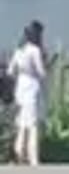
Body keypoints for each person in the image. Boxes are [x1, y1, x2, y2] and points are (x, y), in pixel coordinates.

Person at [8, 21, 47, 166]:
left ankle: (19, 154)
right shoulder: (34, 50)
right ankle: (33, 158)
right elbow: (41, 72)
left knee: (21, 124)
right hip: (32, 86)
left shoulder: (19, 50)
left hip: (20, 87)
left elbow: (11, 71)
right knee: (33, 124)